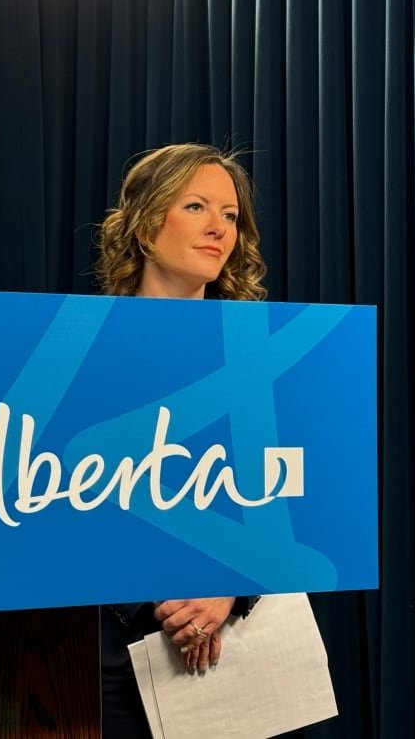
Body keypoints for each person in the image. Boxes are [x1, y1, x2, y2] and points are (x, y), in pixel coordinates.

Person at [95, 142, 268, 738]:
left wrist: (229, 591)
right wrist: (158, 604)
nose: (219, 227)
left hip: (239, 644)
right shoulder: (81, 353)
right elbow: (67, 504)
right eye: (196, 206)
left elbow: (285, 498)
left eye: (230, 214)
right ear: (145, 225)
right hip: (113, 651)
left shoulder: (256, 356)